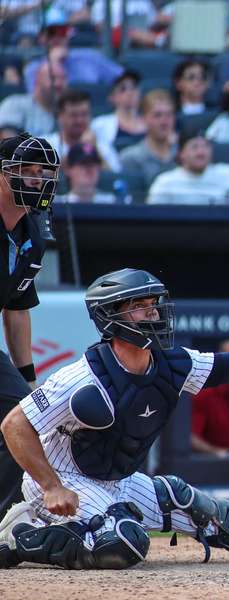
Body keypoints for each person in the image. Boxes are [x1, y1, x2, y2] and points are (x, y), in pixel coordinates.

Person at [0, 269, 229, 569]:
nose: (152, 314)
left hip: (114, 478)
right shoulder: (81, 378)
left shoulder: (172, 362)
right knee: (123, 544)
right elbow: (14, 425)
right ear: (111, 317)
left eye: (153, 305)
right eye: (139, 307)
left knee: (182, 498)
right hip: (67, 479)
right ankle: (22, 535)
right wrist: (51, 486)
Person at [0, 133, 60, 519]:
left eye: (42, 172)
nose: (35, 179)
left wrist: (28, 377)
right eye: (25, 170)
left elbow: (17, 307)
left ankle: (4, 520)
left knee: (23, 420)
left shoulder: (34, 231)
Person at [147, 132, 229, 205]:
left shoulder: (227, 173)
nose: (201, 152)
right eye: (195, 147)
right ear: (181, 153)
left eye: (206, 146)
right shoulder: (166, 182)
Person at [23, 19, 121, 92]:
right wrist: (53, 63)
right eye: (51, 33)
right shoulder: (33, 69)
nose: (57, 37)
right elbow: (37, 101)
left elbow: (123, 79)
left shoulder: (90, 56)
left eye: (62, 32)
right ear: (41, 38)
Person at [45, 89, 119, 172]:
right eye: (73, 115)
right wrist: (77, 148)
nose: (79, 120)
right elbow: (40, 177)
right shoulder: (46, 145)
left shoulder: (102, 146)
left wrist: (96, 150)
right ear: (60, 117)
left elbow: (115, 178)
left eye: (84, 114)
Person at [119, 90, 178, 188]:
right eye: (157, 115)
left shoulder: (182, 155)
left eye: (169, 115)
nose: (164, 121)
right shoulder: (130, 157)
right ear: (143, 119)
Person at [90, 70, 146, 163]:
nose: (130, 92)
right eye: (123, 89)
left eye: (134, 87)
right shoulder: (99, 125)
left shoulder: (151, 121)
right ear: (111, 97)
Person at [0, 60, 66, 137]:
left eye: (63, 78)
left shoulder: (69, 111)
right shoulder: (15, 103)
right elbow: (6, 137)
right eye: (53, 78)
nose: (59, 83)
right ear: (37, 80)